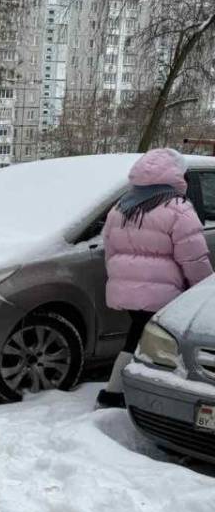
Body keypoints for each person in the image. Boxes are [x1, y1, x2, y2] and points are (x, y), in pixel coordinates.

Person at [98, 148, 213, 408]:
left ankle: (118, 393)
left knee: (139, 336)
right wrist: (202, 291)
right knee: (159, 344)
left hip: (125, 290)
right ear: (175, 174)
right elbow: (193, 257)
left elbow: (110, 250)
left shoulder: (122, 206)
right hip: (163, 294)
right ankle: (119, 395)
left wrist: (118, 281)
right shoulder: (178, 208)